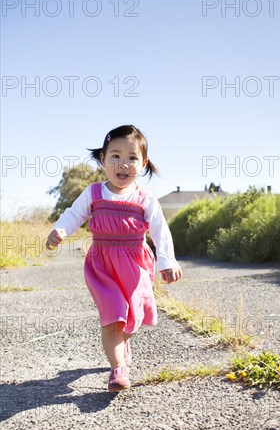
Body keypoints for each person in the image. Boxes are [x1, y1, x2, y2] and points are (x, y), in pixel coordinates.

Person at [46, 125, 182, 392]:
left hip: (136, 266)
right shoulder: (94, 193)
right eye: (115, 156)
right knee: (113, 316)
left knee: (132, 318)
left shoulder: (145, 198)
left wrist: (167, 261)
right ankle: (118, 369)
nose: (123, 164)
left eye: (132, 158)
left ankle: (124, 343)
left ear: (143, 164)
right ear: (103, 160)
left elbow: (160, 231)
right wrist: (61, 229)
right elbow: (74, 214)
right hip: (102, 265)